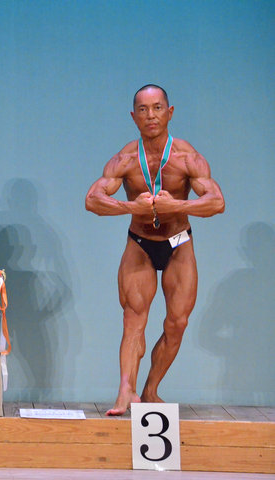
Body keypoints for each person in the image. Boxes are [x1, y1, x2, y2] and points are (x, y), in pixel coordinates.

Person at [85, 84, 225, 415]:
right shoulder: (125, 158)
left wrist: (178, 205)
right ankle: (125, 391)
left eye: (158, 108)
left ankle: (150, 389)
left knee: (177, 322)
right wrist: (129, 208)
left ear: (170, 112)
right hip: (140, 244)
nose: (151, 115)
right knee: (133, 318)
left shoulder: (187, 157)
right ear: (134, 116)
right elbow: (92, 199)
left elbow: (216, 201)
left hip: (178, 243)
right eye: (143, 109)